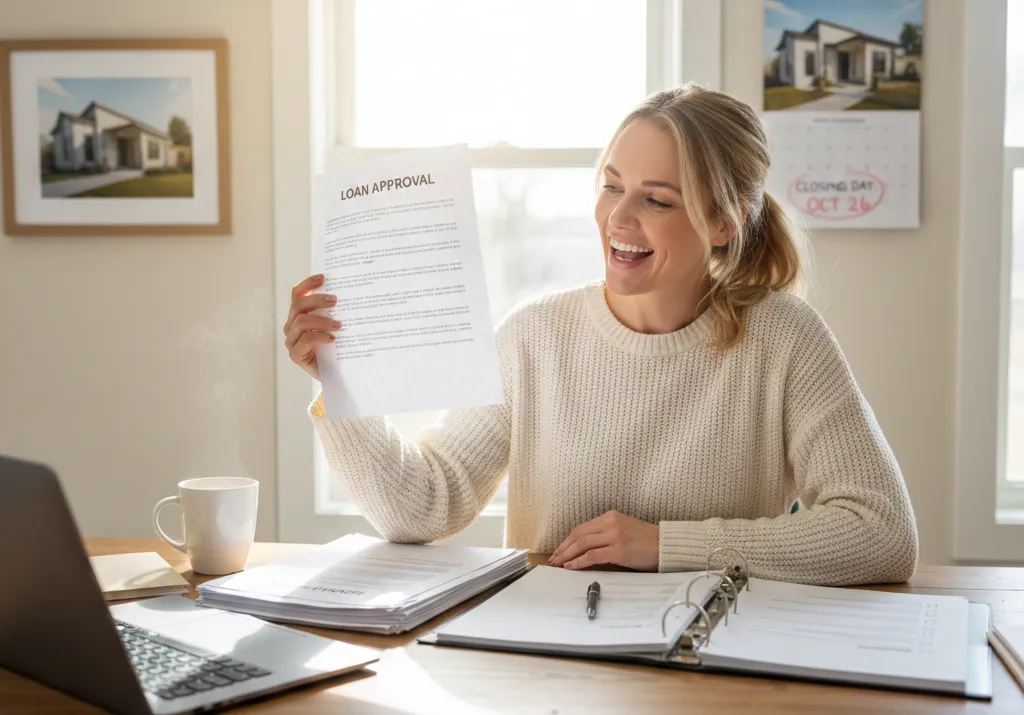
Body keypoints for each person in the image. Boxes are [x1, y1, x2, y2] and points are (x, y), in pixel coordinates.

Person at [283, 84, 918, 586]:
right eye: (611, 185)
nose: (617, 217)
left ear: (724, 222)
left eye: (657, 200)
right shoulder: (535, 337)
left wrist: (664, 546)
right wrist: (340, 381)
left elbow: (882, 533)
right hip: (557, 663)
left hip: (714, 662)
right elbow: (424, 505)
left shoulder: (784, 339)